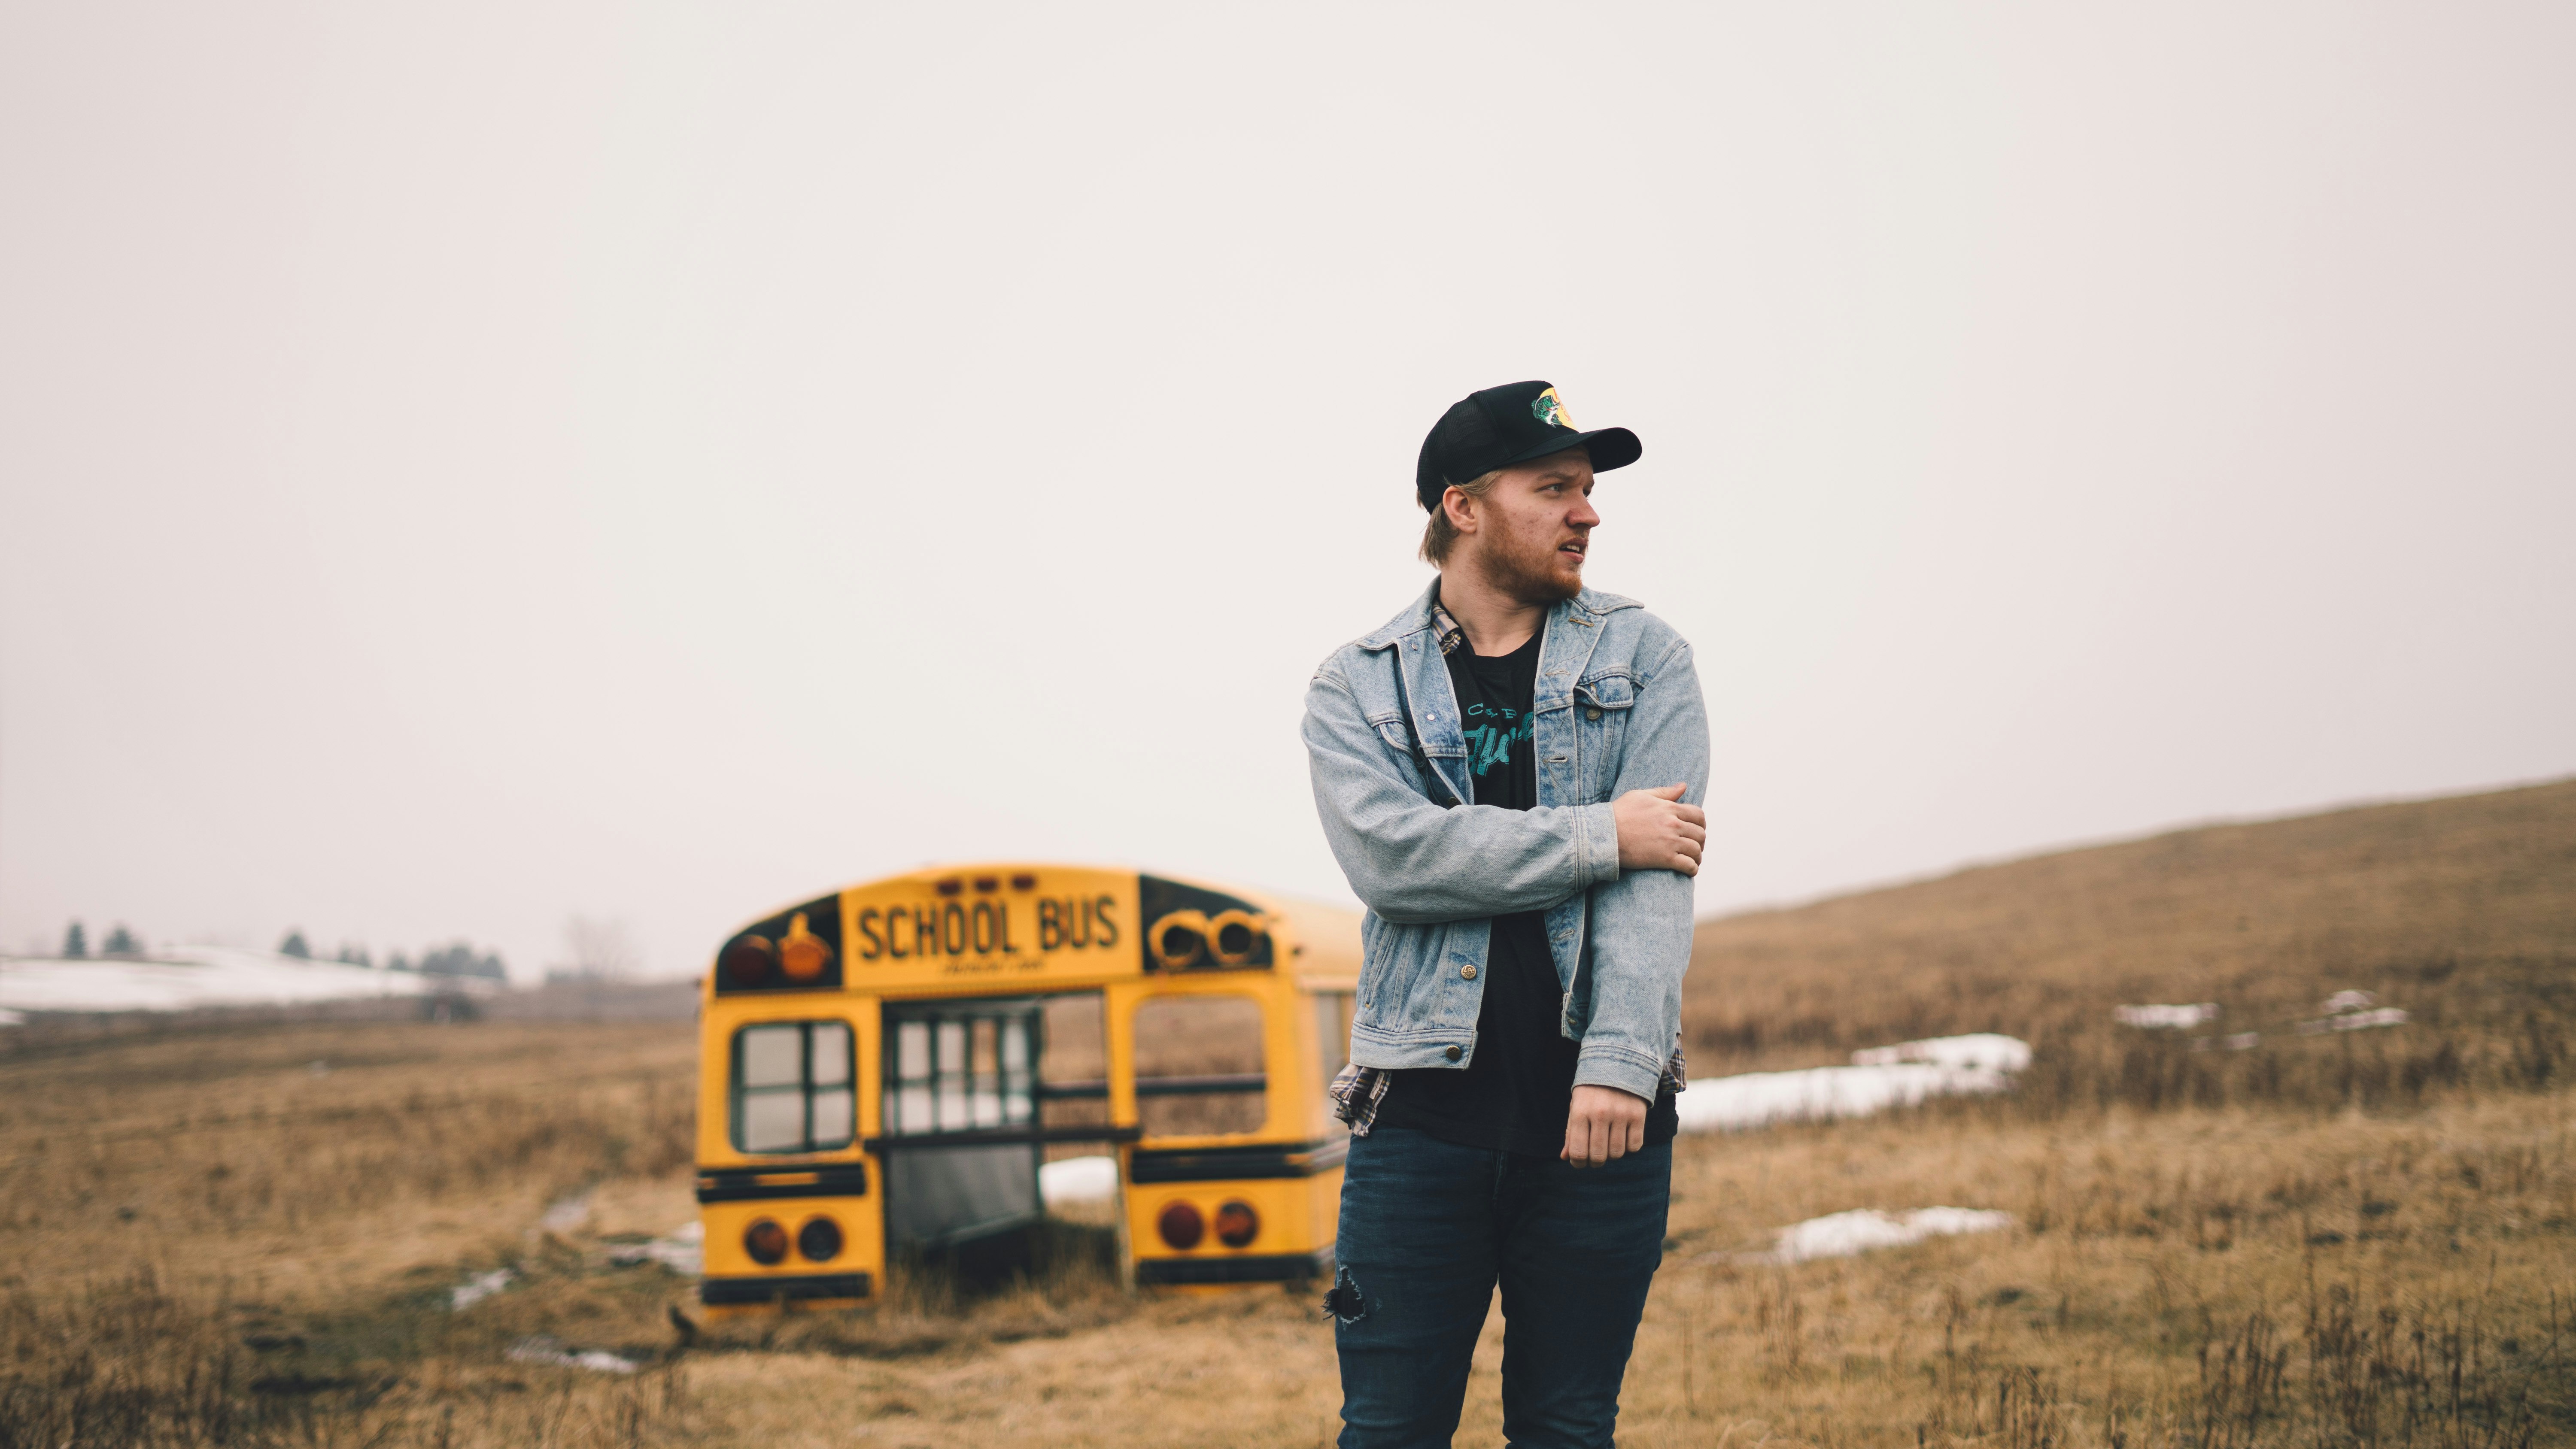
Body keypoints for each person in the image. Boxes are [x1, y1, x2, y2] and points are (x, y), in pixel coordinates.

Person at [1302, 380, 1710, 1448]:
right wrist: (1600, 834)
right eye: (1556, 487)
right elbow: (1400, 860)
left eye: (1588, 489)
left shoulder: (1644, 657)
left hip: (1600, 1118)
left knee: (1569, 1426)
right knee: (1388, 1428)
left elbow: (1658, 876)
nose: (1589, 513)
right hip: (1422, 1116)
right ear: (1464, 506)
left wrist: (1622, 1062)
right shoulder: (1358, 685)